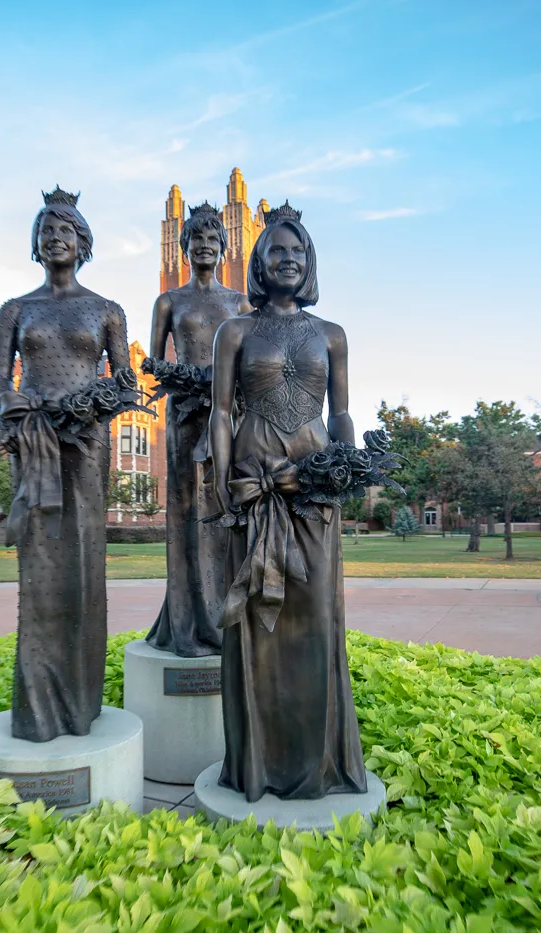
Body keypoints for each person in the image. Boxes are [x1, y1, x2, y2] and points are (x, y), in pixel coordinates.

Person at [207, 203, 367, 801]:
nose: (289, 261)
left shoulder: (332, 335)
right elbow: (222, 413)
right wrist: (222, 483)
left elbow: (342, 411)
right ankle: (260, 763)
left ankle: (317, 762)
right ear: (258, 260)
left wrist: (350, 467)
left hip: (316, 486)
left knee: (314, 619)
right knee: (256, 620)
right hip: (254, 483)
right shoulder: (236, 332)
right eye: (277, 251)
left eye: (298, 253)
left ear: (310, 264)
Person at [0, 187, 136, 742]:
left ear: (83, 243)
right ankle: (36, 706)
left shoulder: (106, 311)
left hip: (86, 446)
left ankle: (79, 702)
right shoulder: (15, 311)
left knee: (83, 560)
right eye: (47, 230)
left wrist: (86, 406)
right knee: (40, 566)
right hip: (34, 446)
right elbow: (2, 385)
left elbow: (125, 387)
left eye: (67, 230)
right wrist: (17, 412)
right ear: (36, 242)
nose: (56, 238)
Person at [145, 202, 252, 657]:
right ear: (185, 247)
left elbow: (251, 364)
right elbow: (154, 364)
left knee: (223, 507)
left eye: (212, 239)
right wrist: (189, 381)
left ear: (223, 247)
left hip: (227, 418)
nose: (204, 246)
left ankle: (224, 616)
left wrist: (223, 390)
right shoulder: (170, 301)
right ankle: (188, 620)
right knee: (187, 509)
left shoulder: (239, 302)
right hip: (185, 415)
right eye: (196, 239)